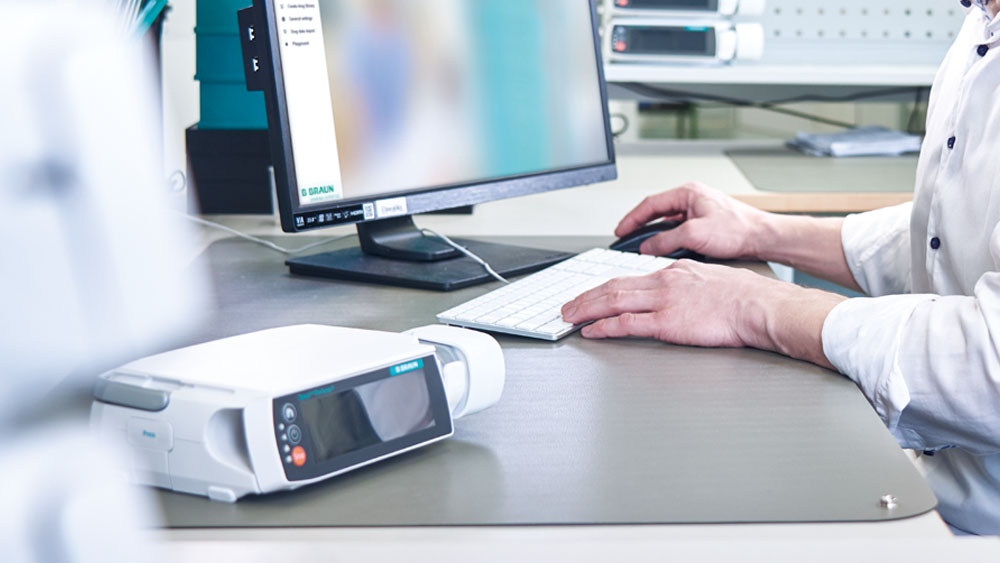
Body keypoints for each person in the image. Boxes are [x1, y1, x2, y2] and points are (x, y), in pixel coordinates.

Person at [562, 0, 1000, 536]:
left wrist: (753, 305)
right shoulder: (981, 25)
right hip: (934, 487)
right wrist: (763, 232)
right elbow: (949, 239)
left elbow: (991, 369)